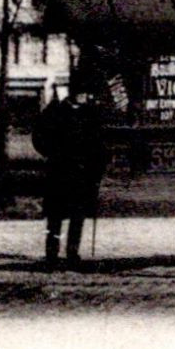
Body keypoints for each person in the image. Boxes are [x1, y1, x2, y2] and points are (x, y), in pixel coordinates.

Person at [32, 71, 111, 268]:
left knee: (78, 215)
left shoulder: (91, 115)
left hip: (83, 174)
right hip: (59, 172)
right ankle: (51, 252)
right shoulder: (55, 112)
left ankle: (72, 251)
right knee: (55, 217)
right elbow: (39, 137)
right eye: (82, 93)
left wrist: (99, 166)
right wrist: (52, 153)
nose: (85, 97)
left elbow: (100, 144)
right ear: (75, 93)